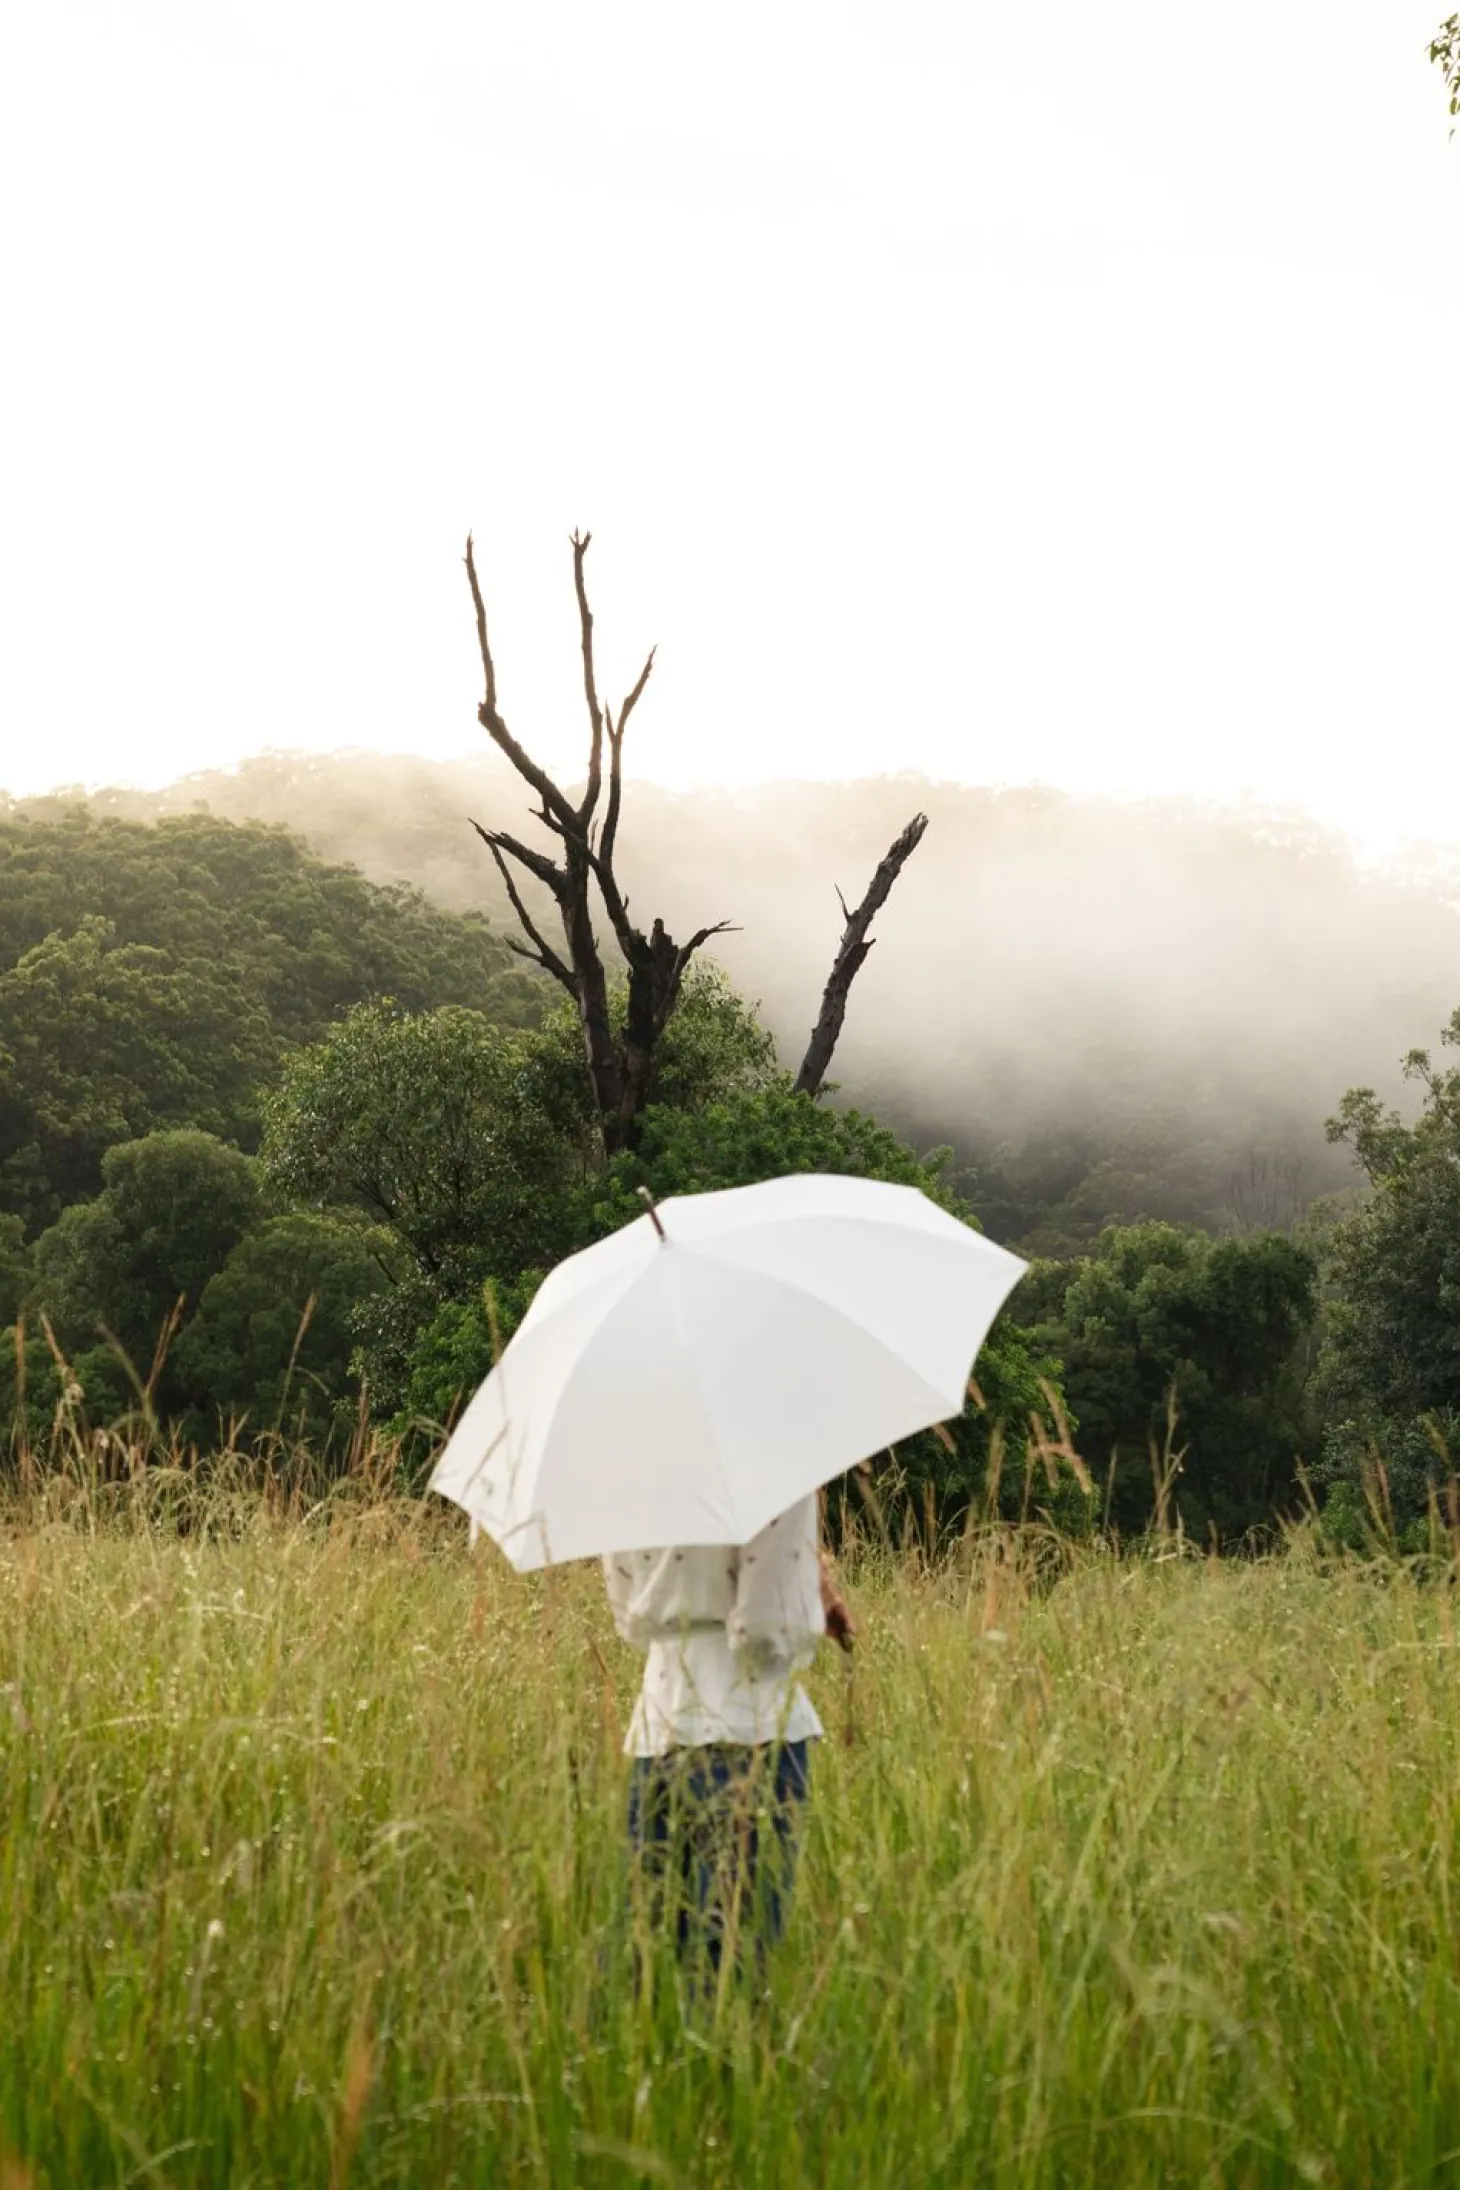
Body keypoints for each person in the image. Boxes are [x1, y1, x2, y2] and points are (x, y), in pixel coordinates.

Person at [603, 1492, 854, 1984]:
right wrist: (805, 1606)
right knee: (735, 1972)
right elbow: (764, 1627)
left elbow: (627, 1615)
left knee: (655, 1969)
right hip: (752, 1723)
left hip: (657, 1723)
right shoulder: (775, 1457)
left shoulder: (629, 1461)